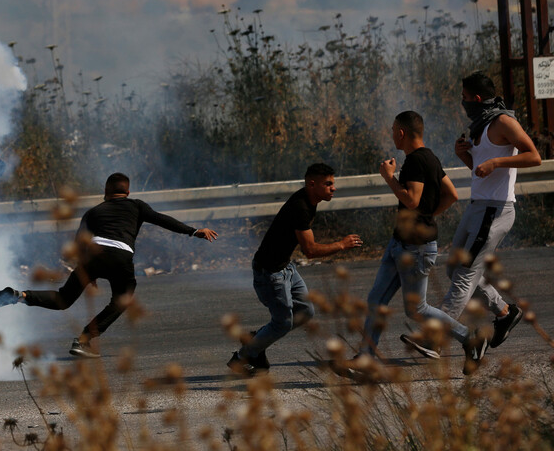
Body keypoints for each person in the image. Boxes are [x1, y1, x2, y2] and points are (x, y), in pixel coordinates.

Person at [0, 172, 218, 358]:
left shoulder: (93, 211)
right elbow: (162, 219)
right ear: (127, 192)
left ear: (105, 193)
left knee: (64, 299)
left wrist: (89, 271)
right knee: (122, 299)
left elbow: (79, 244)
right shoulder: (137, 206)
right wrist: (194, 231)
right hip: (121, 256)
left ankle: (18, 295)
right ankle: (84, 340)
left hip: (93, 255)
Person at [355, 111, 482, 373]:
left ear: (401, 133)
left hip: (416, 248)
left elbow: (412, 201)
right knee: (376, 298)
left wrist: (389, 177)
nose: (391, 135)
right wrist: (430, 214)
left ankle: (469, 337)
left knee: (417, 309)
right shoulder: (430, 157)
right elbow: (452, 194)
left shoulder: (414, 161)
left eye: (393, 130)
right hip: (399, 244)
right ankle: (365, 357)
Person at [436, 71, 541, 364]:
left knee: (465, 274)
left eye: (465, 98)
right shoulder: (480, 126)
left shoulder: (504, 122)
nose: (463, 102)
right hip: (477, 206)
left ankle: (435, 337)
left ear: (478, 99)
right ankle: (505, 313)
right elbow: (481, 172)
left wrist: (496, 161)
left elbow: (534, 156)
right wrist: (465, 157)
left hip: (495, 210)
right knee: (454, 266)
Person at [226, 163, 362, 377]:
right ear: (312, 183)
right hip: (270, 274)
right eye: (328, 184)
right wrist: (342, 245)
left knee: (306, 311)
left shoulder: (310, 199)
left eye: (333, 184)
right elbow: (310, 250)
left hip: (285, 268)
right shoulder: (301, 207)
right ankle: (242, 356)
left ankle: (258, 341)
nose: (333, 188)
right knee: (282, 323)